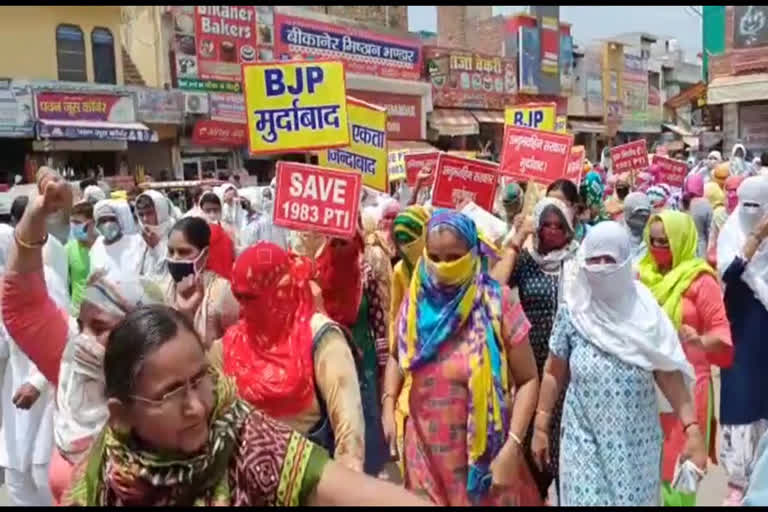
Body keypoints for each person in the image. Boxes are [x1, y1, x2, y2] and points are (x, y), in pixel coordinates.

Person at [59, 305, 431, 506]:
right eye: (171, 394)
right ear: (122, 413)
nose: (196, 407)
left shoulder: (245, 438)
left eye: (199, 380)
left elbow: (351, 492)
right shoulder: (99, 477)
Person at [0, 171, 165, 504]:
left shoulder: (171, 393)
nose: (84, 338)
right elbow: (22, 304)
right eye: (82, 324)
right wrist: (38, 213)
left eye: (102, 328)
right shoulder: (72, 368)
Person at [532, 221, 707, 506]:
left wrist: (693, 430)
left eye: (609, 259)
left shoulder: (645, 313)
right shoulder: (574, 311)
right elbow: (553, 371)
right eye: (594, 259)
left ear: (625, 261)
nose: (601, 267)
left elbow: (667, 373)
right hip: (582, 445)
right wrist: (540, 426)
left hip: (636, 450)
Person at [386, 210, 541, 506]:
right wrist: (387, 403)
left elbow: (528, 379)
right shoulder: (416, 300)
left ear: (472, 253)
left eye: (454, 257)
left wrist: (513, 446)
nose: (444, 267)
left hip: (484, 460)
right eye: (436, 257)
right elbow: (397, 355)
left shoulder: (497, 301)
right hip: (425, 456)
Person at [220, 243, 367, 473]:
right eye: (240, 297)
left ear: (280, 289)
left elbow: (349, 432)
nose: (245, 306)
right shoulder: (232, 343)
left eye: (252, 297)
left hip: (310, 482)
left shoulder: (322, 339)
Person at [637, 211, 733, 506]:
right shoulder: (642, 274)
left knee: (679, 479)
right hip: (647, 390)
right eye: (652, 241)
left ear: (680, 240)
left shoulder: (700, 281)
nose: (657, 248)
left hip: (689, 391)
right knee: (646, 477)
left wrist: (698, 340)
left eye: (664, 242)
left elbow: (722, 334)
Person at [490, 197, 579, 501]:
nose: (552, 230)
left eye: (559, 225)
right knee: (531, 456)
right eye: (546, 225)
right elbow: (494, 286)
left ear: (569, 228)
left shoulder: (579, 260)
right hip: (530, 368)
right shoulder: (526, 261)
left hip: (567, 374)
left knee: (565, 455)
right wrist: (515, 241)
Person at [314, 232, 390, 476]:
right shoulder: (317, 272)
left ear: (356, 242)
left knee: (365, 419)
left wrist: (382, 365)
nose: (338, 248)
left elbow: (378, 318)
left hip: (363, 357)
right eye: (333, 243)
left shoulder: (365, 272)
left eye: (343, 243)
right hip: (329, 359)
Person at [715, 176, 768, 505]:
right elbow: (729, 274)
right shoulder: (731, 233)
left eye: (757, 206)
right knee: (741, 404)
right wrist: (756, 238)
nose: (750, 211)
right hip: (741, 334)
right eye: (745, 204)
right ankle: (739, 486)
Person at [0, 224, 61, 505]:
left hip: (46, 389)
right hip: (13, 389)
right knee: (14, 474)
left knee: (43, 473)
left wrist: (37, 382)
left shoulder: (44, 279)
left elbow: (63, 333)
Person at [162, 217, 239, 349]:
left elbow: (234, 343)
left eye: (183, 252)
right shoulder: (165, 287)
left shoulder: (221, 291)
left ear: (205, 254)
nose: (175, 258)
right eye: (171, 251)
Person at [88, 199, 143, 282]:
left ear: (119, 220)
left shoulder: (136, 242)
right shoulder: (97, 246)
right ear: (97, 225)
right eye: (103, 221)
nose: (108, 224)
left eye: (111, 219)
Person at [134, 190, 176, 280]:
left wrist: (157, 247)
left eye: (149, 213)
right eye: (141, 214)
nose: (145, 219)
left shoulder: (176, 235)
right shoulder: (140, 238)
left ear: (161, 211)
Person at [66, 201, 97, 316]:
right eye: (71, 222)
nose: (73, 227)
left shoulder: (103, 247)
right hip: (78, 314)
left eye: (77, 222)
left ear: (92, 223)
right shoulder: (68, 249)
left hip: (102, 311)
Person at [622, 192, 652, 265]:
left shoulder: (653, 240)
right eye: (638, 212)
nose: (642, 216)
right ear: (627, 213)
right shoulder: (617, 236)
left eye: (646, 213)